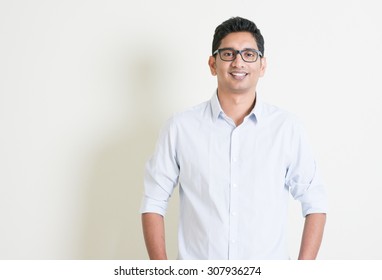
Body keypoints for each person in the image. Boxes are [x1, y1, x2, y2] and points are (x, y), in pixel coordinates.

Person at [140, 17, 327, 260]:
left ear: (262, 65)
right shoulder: (180, 128)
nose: (238, 62)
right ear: (212, 64)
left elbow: (315, 203)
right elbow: (153, 202)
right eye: (228, 54)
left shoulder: (286, 128)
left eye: (249, 54)